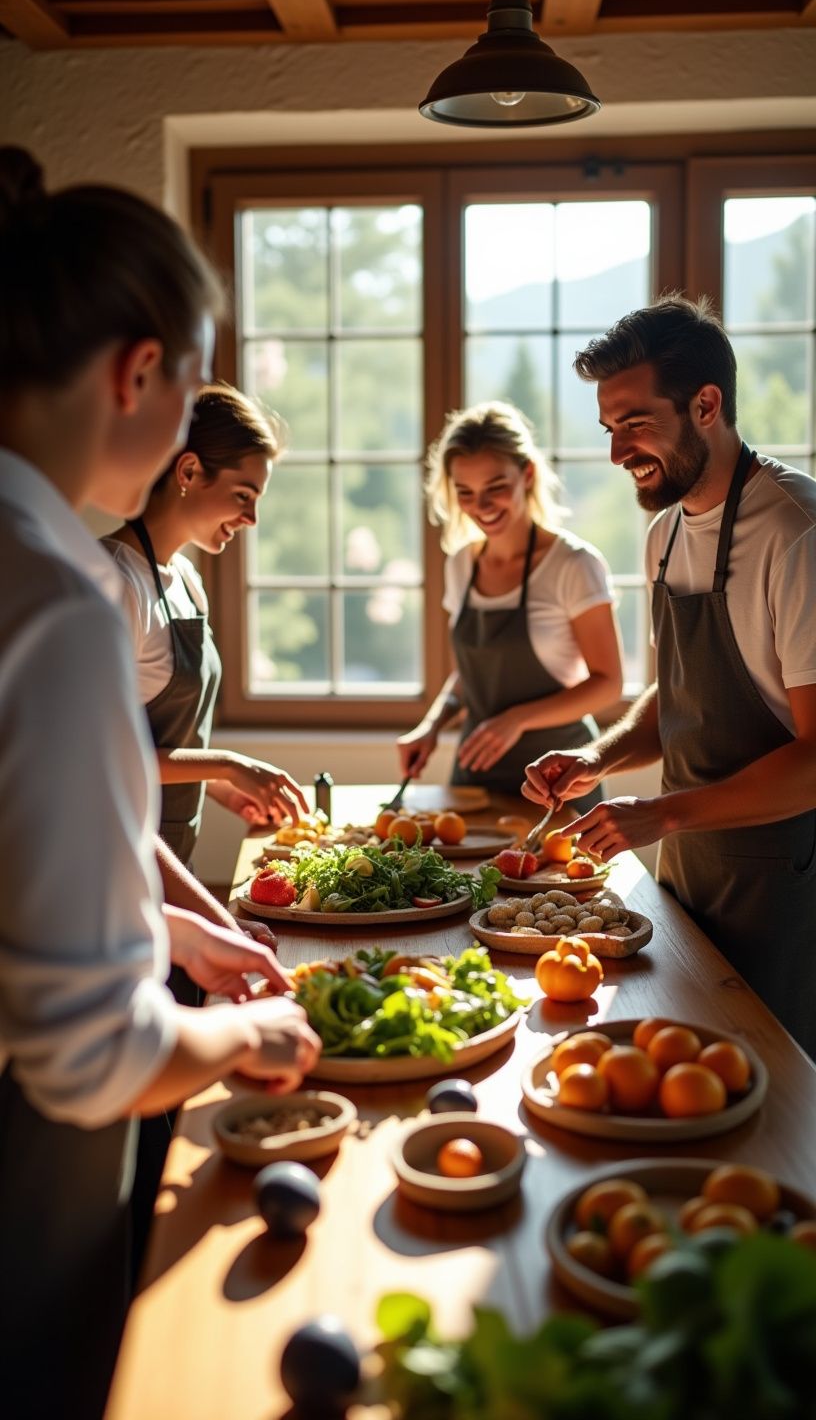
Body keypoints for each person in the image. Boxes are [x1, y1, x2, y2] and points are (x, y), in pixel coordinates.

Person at [0, 146, 321, 1420]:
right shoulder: (58, 597)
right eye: (191, 382)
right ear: (142, 373)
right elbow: (92, 1055)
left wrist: (176, 925)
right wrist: (255, 1036)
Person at [523, 294, 816, 1058]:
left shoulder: (797, 533)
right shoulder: (664, 533)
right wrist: (597, 758)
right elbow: (680, 694)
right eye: (609, 429)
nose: (617, 452)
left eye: (635, 423)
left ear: (706, 405)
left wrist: (665, 813)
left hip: (784, 887)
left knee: (777, 1101)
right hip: (685, 873)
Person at [103, 382, 307, 875]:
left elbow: (169, 739)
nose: (252, 518)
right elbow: (102, 755)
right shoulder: (113, 582)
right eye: (243, 495)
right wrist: (231, 766)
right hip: (114, 862)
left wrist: (224, 789)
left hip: (174, 860)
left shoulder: (187, 581)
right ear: (189, 471)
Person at [397, 401, 623, 804]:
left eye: (495, 488)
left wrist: (516, 720)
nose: (481, 506)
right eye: (465, 493)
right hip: (475, 776)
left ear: (528, 474)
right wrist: (432, 726)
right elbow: (473, 675)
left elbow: (608, 684)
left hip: (559, 780)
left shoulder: (574, 565)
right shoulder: (461, 564)